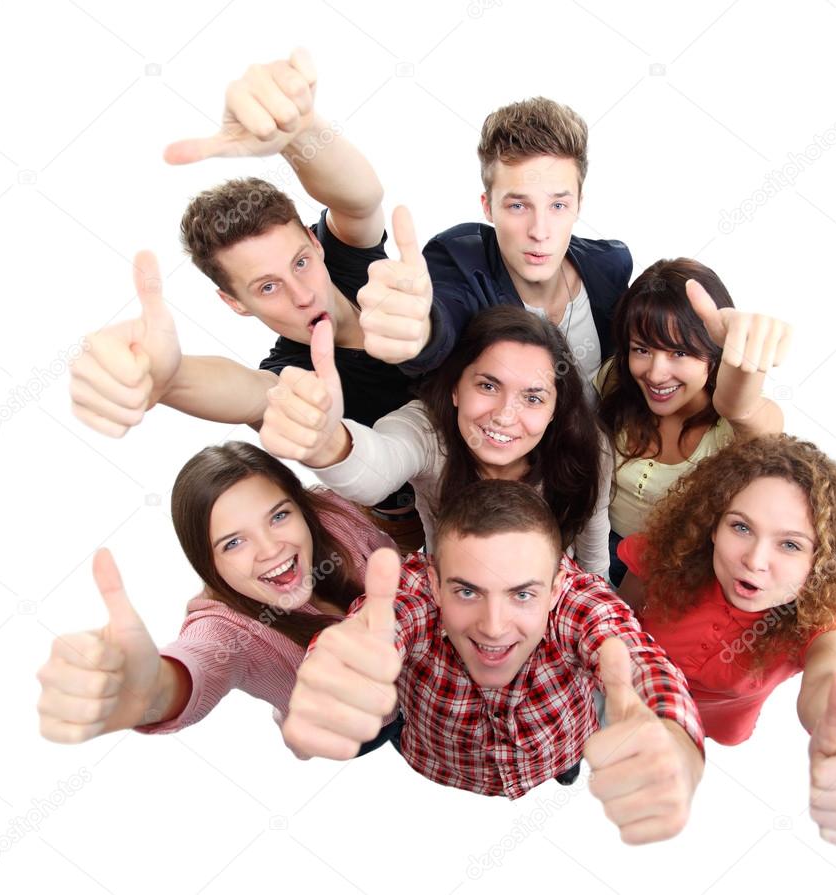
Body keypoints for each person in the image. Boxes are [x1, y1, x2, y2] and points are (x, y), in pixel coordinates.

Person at [65, 49, 423, 547]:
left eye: (300, 262)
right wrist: (166, 379)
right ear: (234, 302)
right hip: (429, 535)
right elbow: (247, 392)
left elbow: (359, 198)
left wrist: (299, 132)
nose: (302, 293)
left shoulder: (351, 264)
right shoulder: (288, 376)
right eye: (267, 287)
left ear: (316, 243)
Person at [282, 479, 705, 844]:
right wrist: (344, 664)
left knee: (568, 766)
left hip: (557, 750)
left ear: (557, 586)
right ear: (434, 581)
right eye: (467, 592)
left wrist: (676, 745)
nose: (494, 628)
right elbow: (377, 626)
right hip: (438, 763)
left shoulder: (580, 600)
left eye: (522, 594)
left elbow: (634, 653)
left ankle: (565, 769)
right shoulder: (414, 592)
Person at [616, 434, 836, 851]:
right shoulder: (667, 555)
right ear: (713, 525)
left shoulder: (821, 620)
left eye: (789, 544)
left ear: (821, 561)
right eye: (741, 527)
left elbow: (831, 676)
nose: (754, 560)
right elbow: (618, 620)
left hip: (719, 722)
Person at [36, 442, 397, 753]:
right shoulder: (224, 626)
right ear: (207, 563)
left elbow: (395, 556)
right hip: (366, 730)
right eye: (234, 542)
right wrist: (146, 693)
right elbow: (199, 661)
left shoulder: (330, 514)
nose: (270, 549)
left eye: (279, 516)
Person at [260, 306, 612, 577]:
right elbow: (379, 467)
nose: (505, 415)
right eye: (488, 386)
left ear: (554, 410)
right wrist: (328, 443)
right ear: (456, 387)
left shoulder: (587, 448)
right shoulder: (428, 430)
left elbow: (594, 559)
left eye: (533, 398)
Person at [356, 97, 632, 381]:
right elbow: (446, 311)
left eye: (558, 206)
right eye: (518, 206)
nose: (539, 231)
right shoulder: (460, 262)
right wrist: (421, 329)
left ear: (578, 204)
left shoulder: (610, 267)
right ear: (487, 206)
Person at [598, 257, 791, 583]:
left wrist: (743, 355)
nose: (656, 373)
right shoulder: (615, 381)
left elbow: (744, 411)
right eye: (642, 349)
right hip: (599, 551)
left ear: (713, 355)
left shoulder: (734, 428)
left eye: (679, 353)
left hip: (676, 574)